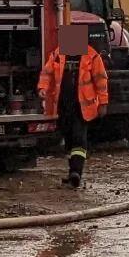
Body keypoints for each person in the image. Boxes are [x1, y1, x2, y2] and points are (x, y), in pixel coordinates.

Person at [38, 32, 109, 189]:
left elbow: (101, 80)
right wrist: (43, 88)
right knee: (69, 138)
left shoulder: (92, 55)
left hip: (82, 107)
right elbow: (47, 72)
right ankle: (72, 172)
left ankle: (76, 171)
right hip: (64, 105)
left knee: (79, 137)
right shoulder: (59, 53)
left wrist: (103, 103)